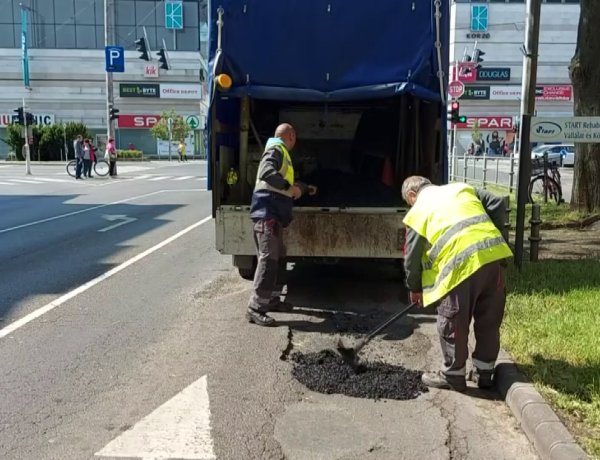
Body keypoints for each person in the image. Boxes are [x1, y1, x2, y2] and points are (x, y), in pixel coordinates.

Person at [401, 176, 512, 392]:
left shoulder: (418, 209)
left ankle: (452, 374)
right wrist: (499, 238)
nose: (410, 206)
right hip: (493, 259)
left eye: (408, 202)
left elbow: (412, 256)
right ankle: (485, 372)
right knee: (488, 318)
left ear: (412, 195)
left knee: (453, 319)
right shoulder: (462, 189)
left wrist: (414, 287)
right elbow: (498, 203)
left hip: (460, 265)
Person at [247, 123, 317, 326]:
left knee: (279, 257)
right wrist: (289, 187)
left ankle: (271, 300)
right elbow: (267, 172)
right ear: (291, 136)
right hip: (267, 214)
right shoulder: (277, 150)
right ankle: (255, 308)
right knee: (268, 259)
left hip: (274, 215)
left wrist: (303, 188)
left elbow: (286, 186)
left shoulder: (281, 153)